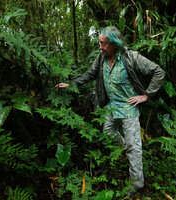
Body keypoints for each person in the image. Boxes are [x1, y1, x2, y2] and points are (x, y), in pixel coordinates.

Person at [56, 26, 165, 194]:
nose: (100, 47)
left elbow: (158, 71)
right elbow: (90, 74)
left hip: (129, 108)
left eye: (104, 44)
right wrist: (71, 84)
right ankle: (124, 150)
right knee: (108, 133)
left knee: (134, 147)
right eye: (99, 43)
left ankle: (136, 185)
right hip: (110, 107)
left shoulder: (130, 57)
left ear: (115, 44)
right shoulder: (101, 58)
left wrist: (146, 95)